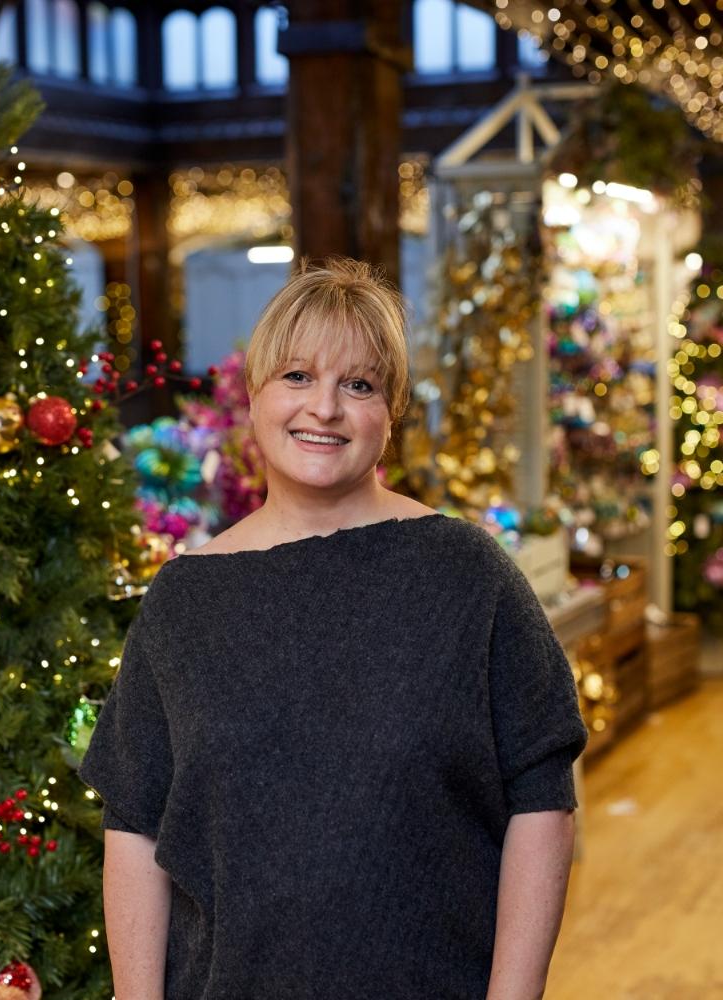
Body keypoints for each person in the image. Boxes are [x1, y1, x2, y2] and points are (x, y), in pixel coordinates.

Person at [78, 258, 588, 1000]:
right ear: (252, 395)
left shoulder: (467, 575)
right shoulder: (185, 600)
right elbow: (135, 826)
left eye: (359, 384)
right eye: (296, 377)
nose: (324, 408)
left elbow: (542, 798)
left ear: (391, 413)